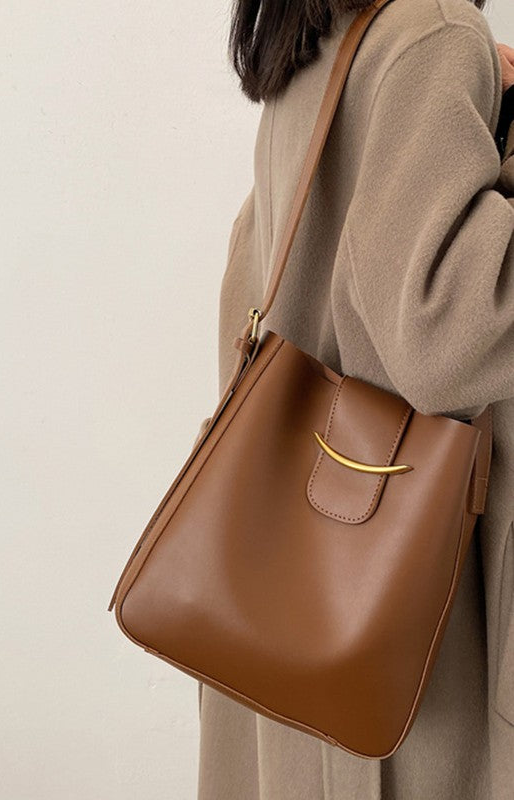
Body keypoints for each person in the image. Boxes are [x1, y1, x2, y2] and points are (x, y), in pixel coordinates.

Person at [196, 0, 514, 797]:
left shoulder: (313, 37)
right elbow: (446, 333)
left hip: (289, 602)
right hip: (401, 630)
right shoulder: (433, 29)